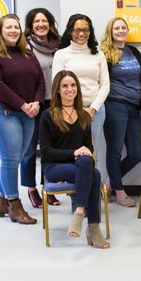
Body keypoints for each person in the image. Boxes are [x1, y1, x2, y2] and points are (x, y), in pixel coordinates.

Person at [0, 14, 45, 225]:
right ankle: (14, 205)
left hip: (28, 113)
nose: (13, 31)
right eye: (8, 27)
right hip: (2, 111)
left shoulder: (28, 54)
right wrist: (22, 104)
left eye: (16, 27)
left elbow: (40, 80)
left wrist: (37, 103)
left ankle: (1, 201)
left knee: (15, 158)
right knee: (10, 159)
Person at [40, 70, 109, 248]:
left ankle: (80, 212)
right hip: (54, 167)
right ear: (57, 90)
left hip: (80, 165)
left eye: (73, 85)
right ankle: (93, 227)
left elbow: (88, 147)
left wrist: (83, 152)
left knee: (89, 166)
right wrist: (74, 153)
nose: (69, 89)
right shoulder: (48, 115)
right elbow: (46, 152)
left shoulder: (84, 115)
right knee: (94, 174)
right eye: (65, 86)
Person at [100, 17, 141, 207]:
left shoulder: (133, 52)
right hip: (114, 105)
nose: (121, 31)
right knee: (114, 151)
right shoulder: (105, 54)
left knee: (136, 153)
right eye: (116, 28)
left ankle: (109, 183)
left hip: (133, 107)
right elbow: (101, 82)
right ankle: (120, 192)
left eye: (123, 27)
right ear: (110, 32)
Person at [52, 14, 110, 172]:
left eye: (86, 30)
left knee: (93, 152)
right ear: (70, 31)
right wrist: (75, 110)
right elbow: (58, 85)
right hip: (69, 111)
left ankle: (92, 186)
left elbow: (105, 85)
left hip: (96, 111)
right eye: (77, 30)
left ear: (90, 32)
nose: (82, 33)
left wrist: (93, 109)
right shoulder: (61, 54)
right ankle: (75, 186)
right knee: (72, 151)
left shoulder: (98, 55)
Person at [20, 7, 62, 209]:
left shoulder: (58, 45)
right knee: (29, 149)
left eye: (44, 21)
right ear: (30, 25)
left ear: (50, 23)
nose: (41, 24)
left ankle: (49, 187)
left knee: (50, 149)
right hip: (33, 104)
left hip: (55, 103)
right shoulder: (24, 45)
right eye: (36, 21)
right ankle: (31, 188)